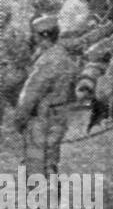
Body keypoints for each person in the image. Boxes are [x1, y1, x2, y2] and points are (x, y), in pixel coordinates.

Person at [12, 15, 78, 180]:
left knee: (36, 165)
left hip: (41, 118)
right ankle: (50, 200)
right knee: (50, 160)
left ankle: (43, 202)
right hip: (59, 115)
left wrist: (19, 120)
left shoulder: (47, 61)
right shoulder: (64, 57)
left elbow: (29, 95)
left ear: (43, 37)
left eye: (35, 35)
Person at [0, 6, 33, 141]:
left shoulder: (14, 34)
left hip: (12, 76)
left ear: (8, 18)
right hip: (8, 77)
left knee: (21, 105)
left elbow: (24, 55)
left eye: (2, 16)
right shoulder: (15, 33)